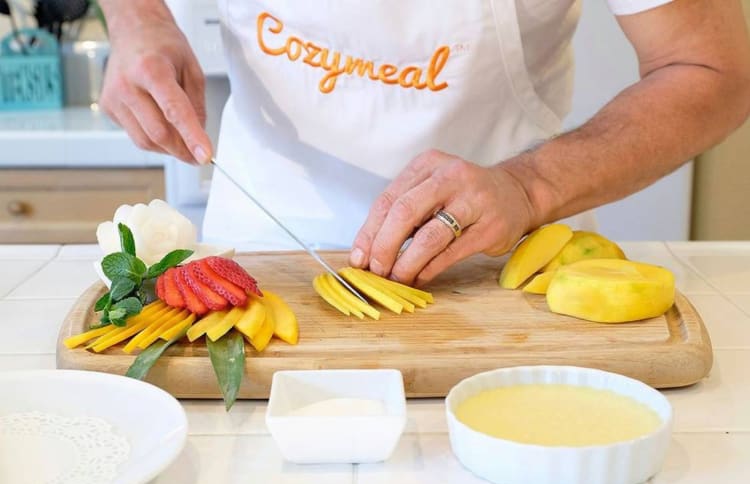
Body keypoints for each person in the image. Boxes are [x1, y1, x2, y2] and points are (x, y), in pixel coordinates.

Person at [99, 0, 750, 286]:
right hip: (265, 247)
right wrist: (138, 19)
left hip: (506, 265)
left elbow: (713, 70)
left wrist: (529, 186)